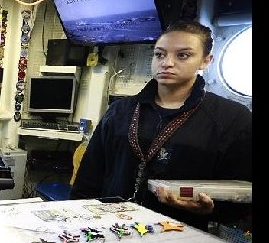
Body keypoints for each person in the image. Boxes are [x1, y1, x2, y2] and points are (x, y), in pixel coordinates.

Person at [70, 20, 251, 231]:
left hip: (178, 236)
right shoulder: (120, 111)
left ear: (206, 61)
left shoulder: (232, 119)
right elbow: (89, 177)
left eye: (183, 55)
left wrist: (211, 209)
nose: (167, 62)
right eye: (159, 54)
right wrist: (78, 222)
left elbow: (242, 194)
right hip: (110, 228)